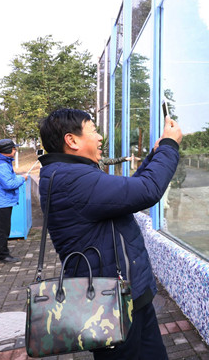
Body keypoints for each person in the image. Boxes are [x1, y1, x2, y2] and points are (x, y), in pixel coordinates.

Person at [38, 108, 182, 360]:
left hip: (126, 295)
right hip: (110, 305)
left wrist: (155, 155)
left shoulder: (71, 174)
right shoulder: (73, 179)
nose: (100, 137)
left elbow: (128, 193)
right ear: (72, 140)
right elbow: (147, 190)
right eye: (93, 131)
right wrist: (170, 145)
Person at [0, 139, 28, 263]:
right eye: (14, 149)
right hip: (0, 202)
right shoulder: (1, 164)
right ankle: (2, 256)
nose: (15, 151)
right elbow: (9, 184)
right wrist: (22, 178)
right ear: (8, 150)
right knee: (2, 230)